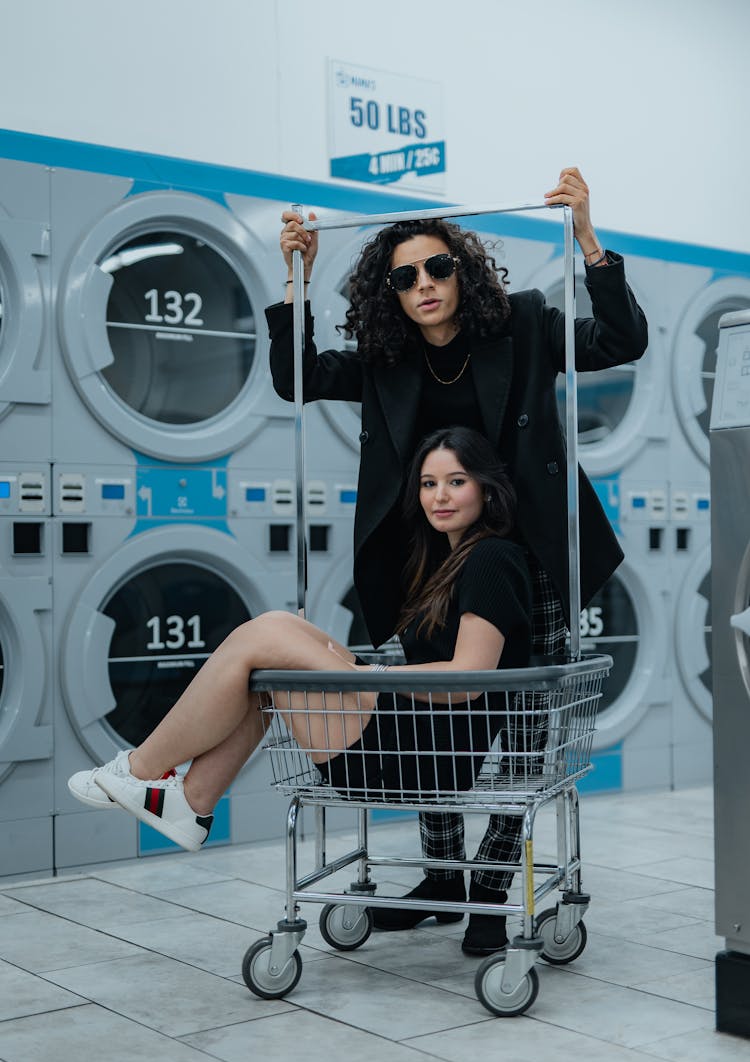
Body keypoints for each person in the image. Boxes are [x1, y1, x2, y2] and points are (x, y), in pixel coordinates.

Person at [267, 167, 648, 953]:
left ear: (463, 270)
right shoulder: (385, 356)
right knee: (431, 717)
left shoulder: (528, 323)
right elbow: (293, 378)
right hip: (423, 556)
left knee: (525, 717)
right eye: (404, 277)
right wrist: (295, 276)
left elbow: (622, 340)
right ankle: (444, 875)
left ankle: (494, 877)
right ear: (392, 294)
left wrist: (587, 238)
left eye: (437, 267)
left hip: (526, 546)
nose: (424, 284)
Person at [67, 427, 532, 957]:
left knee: (267, 635)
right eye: (428, 483)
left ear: (487, 489)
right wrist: (361, 674)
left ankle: (142, 772)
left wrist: (367, 678)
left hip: (424, 755)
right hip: (406, 736)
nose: (440, 496)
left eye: (456, 481)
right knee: (272, 639)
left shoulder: (492, 559)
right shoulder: (444, 562)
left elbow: (469, 679)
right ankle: (189, 801)